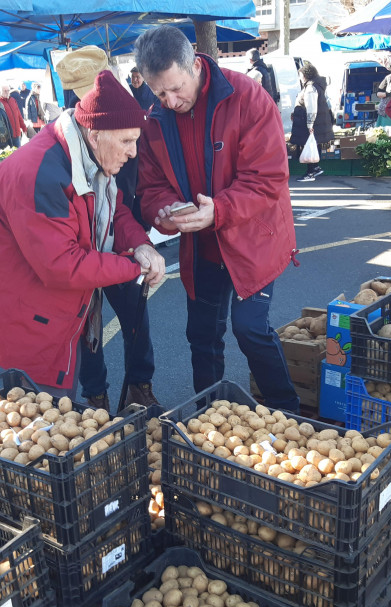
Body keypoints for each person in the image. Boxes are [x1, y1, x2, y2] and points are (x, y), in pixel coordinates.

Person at [0, 71, 166, 395]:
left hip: (51, 299)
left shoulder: (87, 154)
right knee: (45, 416)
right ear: (95, 136)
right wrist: (134, 265)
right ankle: (90, 408)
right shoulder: (40, 172)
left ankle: (97, 407)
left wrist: (140, 244)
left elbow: (115, 207)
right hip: (21, 308)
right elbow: (63, 265)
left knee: (66, 405)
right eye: (126, 141)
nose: (133, 152)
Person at [134, 25, 299, 412]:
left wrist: (219, 210)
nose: (170, 101)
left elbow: (269, 178)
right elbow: (151, 185)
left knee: (251, 328)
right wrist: (163, 212)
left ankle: (288, 411)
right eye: (159, 93)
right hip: (201, 244)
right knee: (202, 334)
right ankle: (209, 415)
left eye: (176, 88)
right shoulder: (154, 118)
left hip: (252, 236)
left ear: (194, 63)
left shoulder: (247, 97)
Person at [57, 47, 161, 410]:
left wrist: (142, 241)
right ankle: (96, 397)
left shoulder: (126, 123)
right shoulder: (66, 144)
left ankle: (139, 388)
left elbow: (124, 200)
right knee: (87, 326)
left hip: (121, 240)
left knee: (136, 316)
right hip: (83, 253)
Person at [290, 63, 334, 182]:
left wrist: (310, 124)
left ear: (306, 75)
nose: (300, 78)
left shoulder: (310, 88)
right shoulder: (318, 85)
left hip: (310, 122)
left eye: (301, 75)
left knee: (308, 145)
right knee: (314, 144)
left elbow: (311, 107)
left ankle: (310, 173)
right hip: (319, 122)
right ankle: (315, 167)